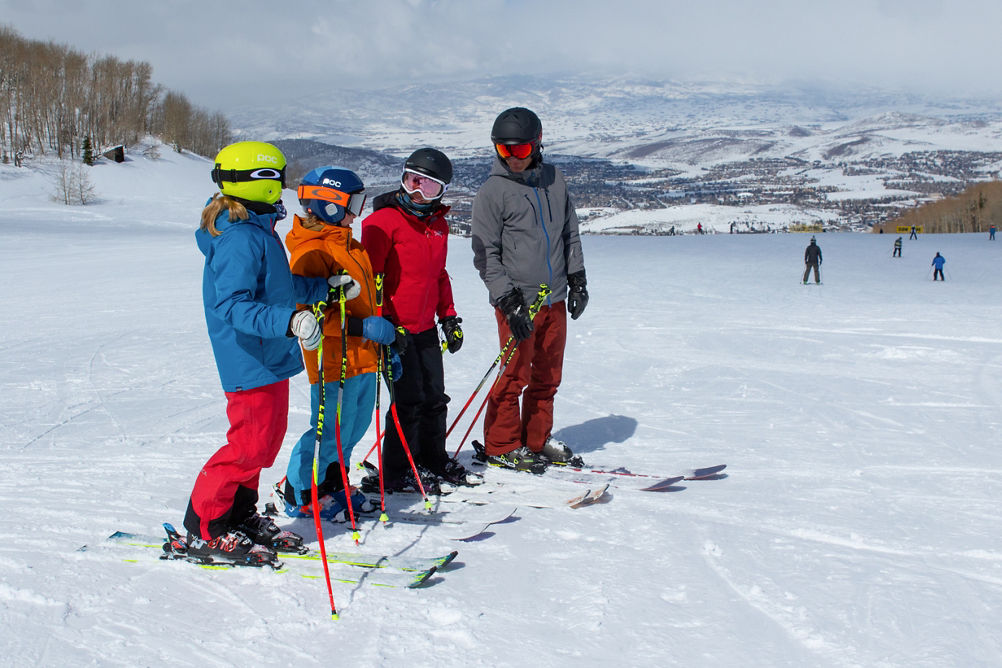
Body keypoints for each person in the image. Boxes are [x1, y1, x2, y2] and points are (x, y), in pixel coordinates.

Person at [184, 141, 334, 565]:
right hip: (248, 358)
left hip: (269, 355)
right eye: (275, 178)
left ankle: (239, 514)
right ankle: (205, 526)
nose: (280, 186)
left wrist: (323, 289)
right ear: (258, 181)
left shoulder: (257, 230)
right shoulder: (239, 239)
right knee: (247, 445)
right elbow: (232, 305)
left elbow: (278, 287)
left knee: (263, 444)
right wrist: (289, 322)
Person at [471, 107, 588, 471]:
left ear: (536, 146)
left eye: (519, 151)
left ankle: (536, 439)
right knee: (515, 374)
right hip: (518, 302)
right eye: (503, 151)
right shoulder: (492, 192)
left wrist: (577, 278)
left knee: (548, 375)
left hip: (553, 297)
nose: (512, 159)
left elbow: (569, 233)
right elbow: (485, 255)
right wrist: (508, 300)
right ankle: (502, 444)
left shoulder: (555, 180)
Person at [279, 166, 397, 521]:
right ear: (329, 204)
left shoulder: (349, 244)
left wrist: (379, 341)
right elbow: (309, 313)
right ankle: (298, 489)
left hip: (361, 355)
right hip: (332, 360)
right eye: (352, 203)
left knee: (353, 428)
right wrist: (363, 326)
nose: (356, 212)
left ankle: (333, 483)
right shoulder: (311, 252)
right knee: (327, 430)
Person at [360, 148, 472, 492]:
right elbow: (370, 281)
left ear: (442, 192)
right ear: (402, 180)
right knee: (407, 402)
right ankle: (396, 470)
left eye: (429, 186)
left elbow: (438, 276)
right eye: (412, 182)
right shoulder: (379, 223)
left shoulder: (438, 225)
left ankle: (430, 457)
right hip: (395, 331)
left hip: (425, 328)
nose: (418, 192)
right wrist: (384, 326)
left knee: (434, 397)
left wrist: (449, 317)